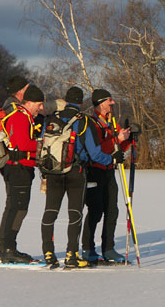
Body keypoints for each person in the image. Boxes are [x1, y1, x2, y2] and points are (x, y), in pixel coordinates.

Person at [41, 86, 124, 268]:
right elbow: (95, 154)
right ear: (81, 102)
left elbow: (42, 146)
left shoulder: (51, 120)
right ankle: (72, 255)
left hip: (53, 171)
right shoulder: (84, 121)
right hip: (75, 172)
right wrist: (112, 158)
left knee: (50, 212)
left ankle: (48, 253)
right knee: (75, 214)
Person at [82, 89, 131, 264]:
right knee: (95, 210)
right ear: (101, 102)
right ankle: (88, 249)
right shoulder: (92, 123)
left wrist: (128, 138)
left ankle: (108, 248)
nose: (112, 103)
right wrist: (117, 138)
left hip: (109, 170)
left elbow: (118, 148)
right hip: (94, 170)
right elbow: (98, 149)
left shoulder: (110, 121)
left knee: (112, 210)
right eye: (109, 100)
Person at [0, 84, 44, 264]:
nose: (41, 108)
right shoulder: (19, 117)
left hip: (18, 167)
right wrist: (43, 144)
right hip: (18, 169)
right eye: (39, 104)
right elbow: (23, 144)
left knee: (13, 208)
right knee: (18, 209)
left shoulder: (23, 117)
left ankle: (4, 248)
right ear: (29, 102)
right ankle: (9, 248)